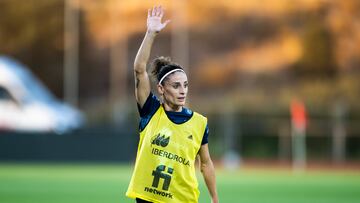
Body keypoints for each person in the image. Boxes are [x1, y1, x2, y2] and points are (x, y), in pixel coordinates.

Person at [126, 6, 219, 203]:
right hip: (147, 199)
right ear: (161, 89)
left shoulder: (199, 123)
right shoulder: (150, 111)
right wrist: (151, 33)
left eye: (185, 85)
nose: (183, 90)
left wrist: (214, 197)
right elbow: (139, 70)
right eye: (176, 86)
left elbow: (206, 163)